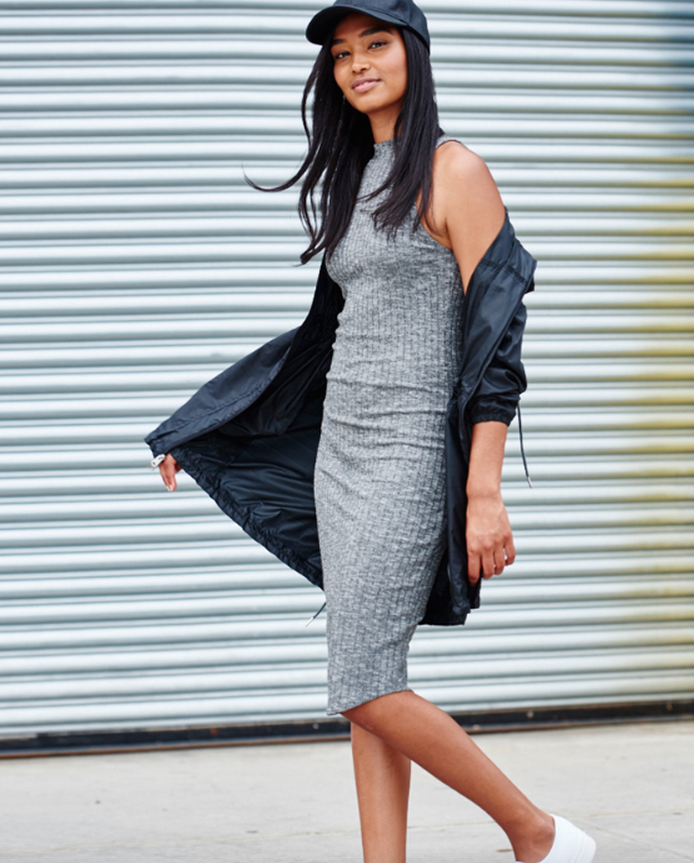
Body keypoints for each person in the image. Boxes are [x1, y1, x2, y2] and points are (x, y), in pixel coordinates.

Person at [146, 1, 596, 861]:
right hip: (339, 455)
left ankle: (537, 833)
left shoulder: (453, 170)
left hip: (408, 456)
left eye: (376, 44)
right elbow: (323, 338)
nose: (356, 63)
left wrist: (483, 492)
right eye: (341, 53)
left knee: (359, 683)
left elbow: (497, 342)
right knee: (373, 677)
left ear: (413, 52)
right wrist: (204, 426)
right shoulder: (359, 177)